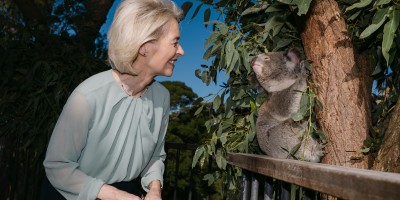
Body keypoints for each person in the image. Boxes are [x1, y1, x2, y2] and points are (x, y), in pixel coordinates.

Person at [40, 0, 184, 199]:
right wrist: (115, 195)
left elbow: (156, 156)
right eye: (175, 42)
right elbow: (57, 166)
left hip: (127, 193)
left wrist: (154, 189)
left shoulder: (162, 97)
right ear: (145, 46)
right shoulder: (88, 95)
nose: (181, 51)